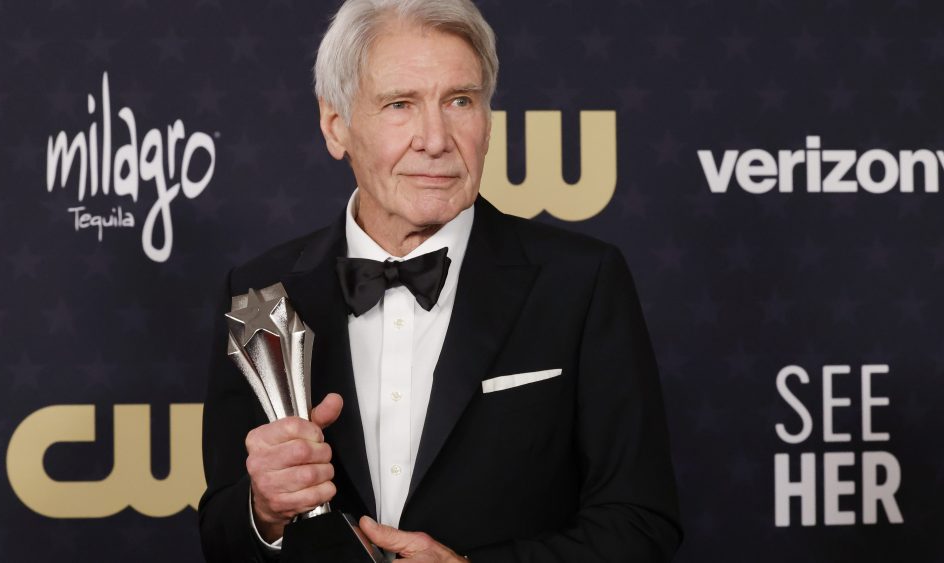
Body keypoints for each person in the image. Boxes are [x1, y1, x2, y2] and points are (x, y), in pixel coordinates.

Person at [199, 0, 682, 560]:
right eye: (400, 104)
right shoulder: (263, 293)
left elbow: (642, 523)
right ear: (337, 127)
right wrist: (264, 509)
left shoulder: (581, 282)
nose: (436, 138)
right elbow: (221, 536)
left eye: (460, 101)